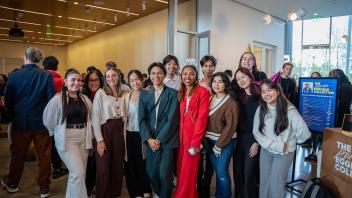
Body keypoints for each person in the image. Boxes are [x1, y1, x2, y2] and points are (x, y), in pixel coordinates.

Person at [2, 47, 55, 197]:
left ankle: (12, 182)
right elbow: (51, 100)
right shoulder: (45, 75)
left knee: (18, 154)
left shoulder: (14, 76)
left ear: (25, 56)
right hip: (42, 123)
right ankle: (44, 188)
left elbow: (8, 101)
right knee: (44, 156)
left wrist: (13, 115)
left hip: (20, 122)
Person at [253, 79, 311, 198]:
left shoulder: (290, 111)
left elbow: (305, 133)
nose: (266, 94)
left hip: (284, 153)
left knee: (276, 185)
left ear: (278, 91)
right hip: (266, 150)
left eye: (269, 90)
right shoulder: (261, 109)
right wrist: (274, 144)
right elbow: (256, 132)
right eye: (263, 91)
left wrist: (291, 143)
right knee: (264, 183)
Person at [43, 68, 93, 198]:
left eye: (79, 80)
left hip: (83, 138)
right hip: (68, 139)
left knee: (78, 175)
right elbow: (47, 120)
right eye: (73, 80)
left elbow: (91, 118)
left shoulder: (85, 99)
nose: (76, 82)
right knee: (78, 173)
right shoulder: (58, 99)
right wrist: (55, 133)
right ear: (65, 82)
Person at [138, 62, 179, 198]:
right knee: (151, 172)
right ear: (149, 75)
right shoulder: (145, 94)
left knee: (165, 174)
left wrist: (159, 140)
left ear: (164, 74)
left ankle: (164, 195)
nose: (156, 76)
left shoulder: (173, 94)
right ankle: (160, 193)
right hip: (151, 140)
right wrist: (149, 139)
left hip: (167, 140)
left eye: (159, 73)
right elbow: (142, 119)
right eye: (153, 73)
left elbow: (172, 120)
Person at [174, 65, 210, 198]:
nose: (187, 77)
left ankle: (184, 195)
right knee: (181, 169)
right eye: (185, 74)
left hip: (193, 138)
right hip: (180, 137)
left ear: (196, 76)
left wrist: (196, 142)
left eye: (191, 74)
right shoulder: (180, 91)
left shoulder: (203, 92)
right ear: (181, 75)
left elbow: (202, 118)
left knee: (190, 170)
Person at [92, 67, 127, 198]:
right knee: (103, 167)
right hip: (105, 130)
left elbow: (136, 92)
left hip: (119, 130)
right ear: (105, 79)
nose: (111, 78)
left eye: (114, 76)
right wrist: (99, 139)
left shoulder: (124, 91)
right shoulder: (101, 93)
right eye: (108, 76)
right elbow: (95, 117)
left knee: (117, 165)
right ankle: (102, 194)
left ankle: (114, 193)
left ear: (118, 76)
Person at [206, 72, 238, 198]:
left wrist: (219, 145)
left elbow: (231, 126)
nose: (217, 84)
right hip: (210, 141)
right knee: (218, 173)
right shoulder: (210, 98)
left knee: (222, 172)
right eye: (214, 81)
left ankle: (225, 195)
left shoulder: (231, 101)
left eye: (220, 82)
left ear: (226, 84)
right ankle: (219, 195)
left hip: (225, 142)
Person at [123, 70, 152, 198]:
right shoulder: (126, 97)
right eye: (132, 80)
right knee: (130, 163)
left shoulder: (149, 94)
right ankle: (135, 192)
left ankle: (146, 188)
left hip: (144, 134)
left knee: (143, 162)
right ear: (129, 82)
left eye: (137, 79)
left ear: (142, 79)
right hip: (129, 133)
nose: (135, 82)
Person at [232, 67, 261, 198]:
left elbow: (265, 122)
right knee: (237, 173)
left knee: (249, 173)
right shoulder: (237, 97)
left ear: (250, 76)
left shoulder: (260, 96)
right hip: (238, 139)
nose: (241, 80)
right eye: (238, 79)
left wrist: (257, 142)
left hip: (253, 139)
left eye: (243, 77)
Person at [42, 55, 68, 179]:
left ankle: (43, 166)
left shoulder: (40, 77)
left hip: (42, 114)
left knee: (42, 144)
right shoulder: (61, 80)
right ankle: (57, 167)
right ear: (56, 66)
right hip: (58, 116)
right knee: (55, 141)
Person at [82, 68, 104, 197]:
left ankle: (94, 186)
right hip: (85, 135)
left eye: (96, 80)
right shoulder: (82, 95)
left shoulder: (105, 95)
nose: (94, 82)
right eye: (91, 80)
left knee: (97, 163)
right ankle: (87, 187)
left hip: (100, 134)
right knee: (86, 163)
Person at [197, 55, 216, 198]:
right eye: (206, 66)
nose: (208, 68)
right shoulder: (197, 84)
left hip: (214, 126)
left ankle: (206, 184)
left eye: (211, 66)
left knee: (210, 159)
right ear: (202, 67)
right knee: (198, 159)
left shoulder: (218, 82)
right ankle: (200, 186)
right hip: (200, 125)